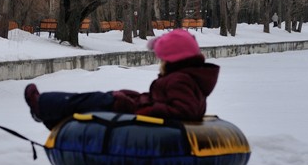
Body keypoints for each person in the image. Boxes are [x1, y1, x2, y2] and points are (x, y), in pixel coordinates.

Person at [24, 29, 218, 129]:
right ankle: (49, 115)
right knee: (95, 100)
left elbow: (183, 110)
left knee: (90, 100)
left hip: (138, 112)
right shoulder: (185, 77)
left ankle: (42, 105)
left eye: (162, 59)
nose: (160, 63)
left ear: (174, 59)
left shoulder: (180, 80)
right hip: (137, 106)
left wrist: (142, 107)